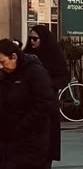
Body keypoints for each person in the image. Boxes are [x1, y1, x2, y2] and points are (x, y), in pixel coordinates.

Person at [0, 39, 57, 169]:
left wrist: (22, 126)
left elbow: (45, 103)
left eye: (3, 62)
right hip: (8, 140)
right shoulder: (5, 75)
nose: (1, 67)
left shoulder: (35, 72)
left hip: (31, 139)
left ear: (14, 56)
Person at [23, 25, 69, 168]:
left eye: (35, 39)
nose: (32, 42)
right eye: (30, 38)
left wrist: (47, 85)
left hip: (48, 104)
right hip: (29, 105)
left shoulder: (54, 55)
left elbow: (63, 76)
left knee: (47, 145)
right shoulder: (26, 56)